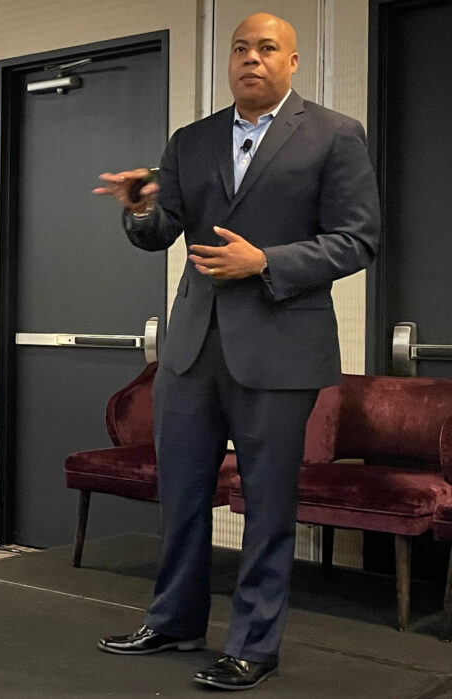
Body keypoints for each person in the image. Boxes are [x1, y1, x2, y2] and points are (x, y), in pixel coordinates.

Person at [92, 12, 380, 691]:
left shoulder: (335, 136)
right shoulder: (191, 141)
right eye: (240, 47)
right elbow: (162, 229)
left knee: (268, 503)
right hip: (191, 348)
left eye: (267, 47)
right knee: (183, 495)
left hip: (280, 349)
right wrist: (138, 207)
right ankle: (173, 619)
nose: (251, 57)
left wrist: (265, 261)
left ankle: (255, 643)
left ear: (294, 61)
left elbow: (358, 239)